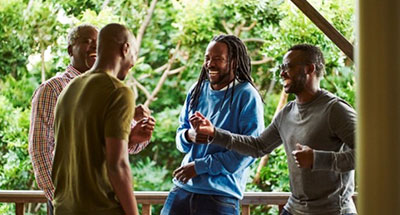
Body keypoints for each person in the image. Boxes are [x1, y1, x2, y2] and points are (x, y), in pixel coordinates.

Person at [191, 44, 357, 215]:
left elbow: (368, 155)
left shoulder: (335, 110)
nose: (282, 73)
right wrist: (214, 134)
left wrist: (317, 159)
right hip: (294, 208)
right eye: (281, 67)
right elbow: (258, 146)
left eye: (288, 67)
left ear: (309, 69)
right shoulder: (287, 113)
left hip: (333, 211)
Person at [28, 24, 153, 214]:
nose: (131, 64)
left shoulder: (71, 89)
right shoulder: (117, 91)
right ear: (125, 49)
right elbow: (117, 164)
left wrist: (130, 136)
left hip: (68, 208)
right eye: (87, 41)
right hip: (100, 207)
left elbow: (89, 147)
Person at [161, 35, 265, 215]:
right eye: (207, 58)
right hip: (182, 189)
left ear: (234, 62)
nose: (210, 64)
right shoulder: (197, 90)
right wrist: (189, 135)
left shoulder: (246, 95)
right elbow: (180, 139)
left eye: (218, 59)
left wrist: (199, 166)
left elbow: (249, 151)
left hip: (220, 197)